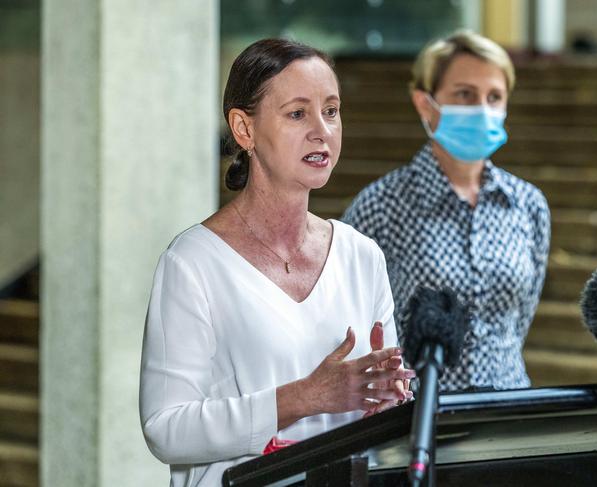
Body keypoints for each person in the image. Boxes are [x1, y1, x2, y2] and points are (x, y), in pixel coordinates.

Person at [139, 38, 414, 486]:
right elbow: (165, 429)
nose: (321, 130)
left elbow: (378, 420)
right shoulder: (192, 263)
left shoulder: (362, 255)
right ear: (243, 130)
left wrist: (386, 404)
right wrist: (305, 397)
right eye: (297, 113)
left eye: (331, 110)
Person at [343, 30, 550, 391]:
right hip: (415, 420)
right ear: (426, 103)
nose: (482, 109)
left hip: (510, 411)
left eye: (494, 97)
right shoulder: (381, 204)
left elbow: (520, 323)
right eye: (465, 94)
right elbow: (348, 320)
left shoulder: (528, 204)